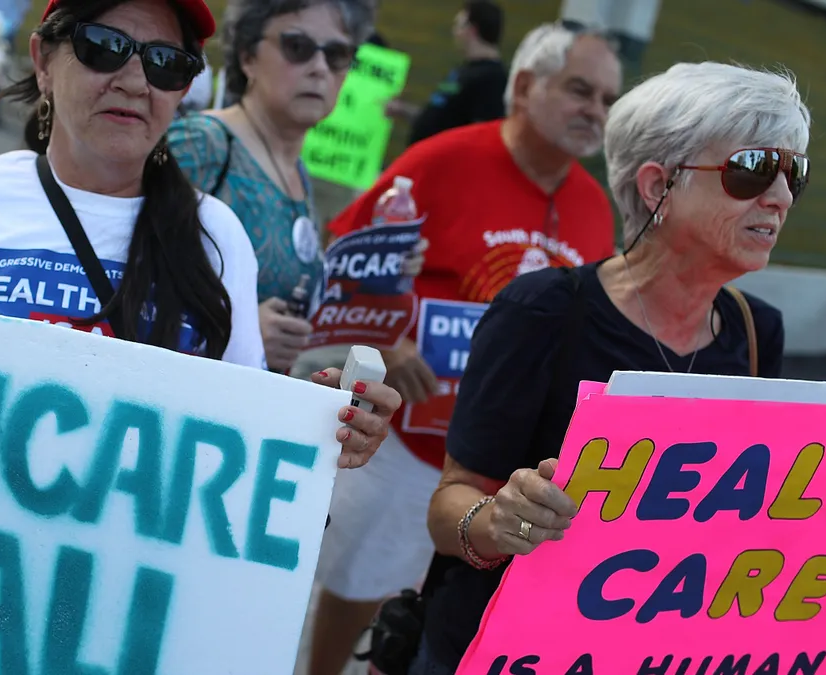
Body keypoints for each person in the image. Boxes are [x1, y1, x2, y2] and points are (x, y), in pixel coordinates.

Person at [0, 0, 401, 470]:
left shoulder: (216, 234)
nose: (135, 80)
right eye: (104, 46)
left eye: (166, 63)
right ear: (43, 61)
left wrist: (320, 423)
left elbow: (238, 427)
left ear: (185, 89)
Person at [416, 61, 808, 674]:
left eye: (794, 173)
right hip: (497, 649)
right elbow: (448, 508)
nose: (781, 197)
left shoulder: (758, 333)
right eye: (751, 170)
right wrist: (500, 519)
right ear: (658, 186)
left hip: (642, 653)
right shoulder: (541, 309)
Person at [307, 23, 621, 675]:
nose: (596, 111)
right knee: (359, 586)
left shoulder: (595, 206)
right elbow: (342, 260)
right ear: (527, 86)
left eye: (608, 99)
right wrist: (388, 340)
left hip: (505, 469)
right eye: (580, 90)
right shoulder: (441, 159)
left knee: (443, 618)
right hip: (409, 440)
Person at [166, 0, 376, 374]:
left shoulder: (297, 170)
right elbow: (130, 277)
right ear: (247, 55)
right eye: (298, 47)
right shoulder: (202, 144)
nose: (319, 68)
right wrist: (239, 328)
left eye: (338, 54)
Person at [390, 1, 508, 146]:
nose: (455, 32)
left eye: (458, 25)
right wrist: (403, 110)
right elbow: (441, 119)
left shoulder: (492, 79)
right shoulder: (464, 71)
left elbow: (481, 136)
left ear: (472, 30)